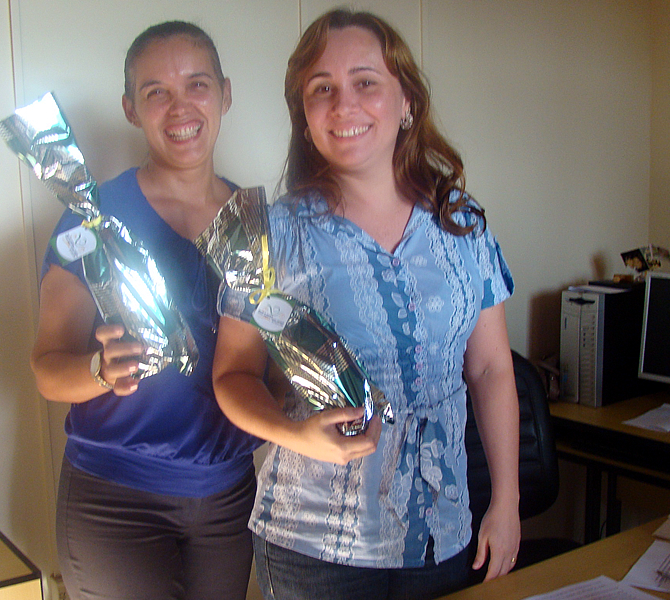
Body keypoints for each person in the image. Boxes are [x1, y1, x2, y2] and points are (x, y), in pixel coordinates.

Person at [212, 9, 521, 600]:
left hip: (442, 531)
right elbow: (232, 376)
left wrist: (505, 501)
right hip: (316, 548)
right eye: (321, 89)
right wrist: (294, 434)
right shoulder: (268, 235)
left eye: (365, 82)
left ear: (407, 102)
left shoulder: (462, 224)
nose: (343, 105)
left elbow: (490, 369)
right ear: (305, 118)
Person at [31, 21, 263, 600]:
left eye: (197, 84)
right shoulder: (92, 218)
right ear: (131, 109)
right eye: (156, 91)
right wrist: (98, 371)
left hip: (229, 500)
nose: (180, 107)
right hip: (115, 502)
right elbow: (47, 370)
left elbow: (265, 362)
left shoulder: (255, 222)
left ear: (225, 94)